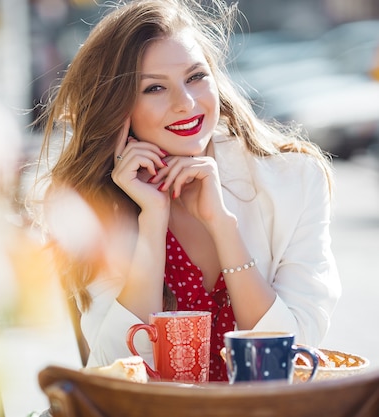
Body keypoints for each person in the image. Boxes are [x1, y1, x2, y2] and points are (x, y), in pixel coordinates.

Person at [27, 0, 341, 382]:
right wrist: (152, 224)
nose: (186, 104)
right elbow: (117, 369)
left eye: (196, 77)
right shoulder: (94, 202)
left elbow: (295, 352)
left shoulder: (295, 180)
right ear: (117, 109)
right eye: (155, 87)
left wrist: (222, 225)